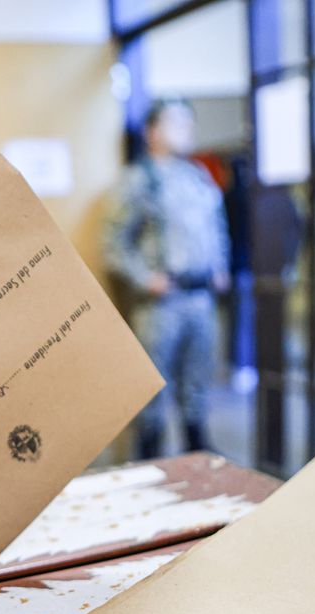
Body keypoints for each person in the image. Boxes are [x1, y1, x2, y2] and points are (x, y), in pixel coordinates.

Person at [103, 99, 230, 460]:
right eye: (177, 122)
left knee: (197, 387)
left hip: (201, 298)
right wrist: (145, 279)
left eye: (189, 122)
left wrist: (220, 266)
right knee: (153, 393)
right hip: (161, 304)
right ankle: (151, 465)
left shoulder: (199, 177)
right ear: (153, 132)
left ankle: (197, 458)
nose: (187, 129)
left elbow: (216, 227)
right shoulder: (139, 180)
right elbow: (113, 243)